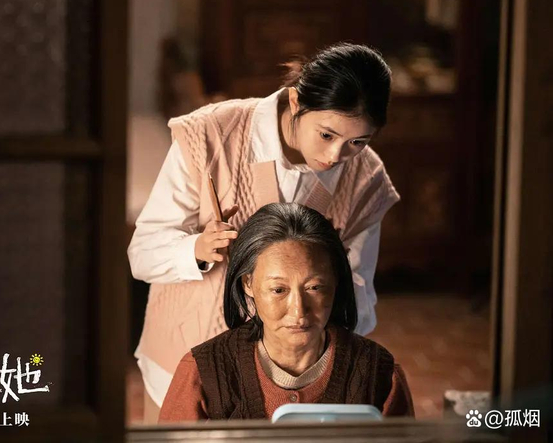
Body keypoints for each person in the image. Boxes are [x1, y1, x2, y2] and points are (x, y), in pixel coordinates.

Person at [128, 43, 400, 421]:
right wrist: (197, 249)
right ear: (296, 100)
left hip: (298, 378)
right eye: (326, 135)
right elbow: (141, 253)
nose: (336, 156)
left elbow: (359, 294)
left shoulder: (364, 177)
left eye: (357, 142)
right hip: (186, 358)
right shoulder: (210, 135)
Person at [159, 203, 414, 421]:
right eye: (278, 290)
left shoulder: (379, 373)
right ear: (248, 284)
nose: (298, 310)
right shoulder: (202, 372)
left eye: (314, 287)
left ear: (336, 281)